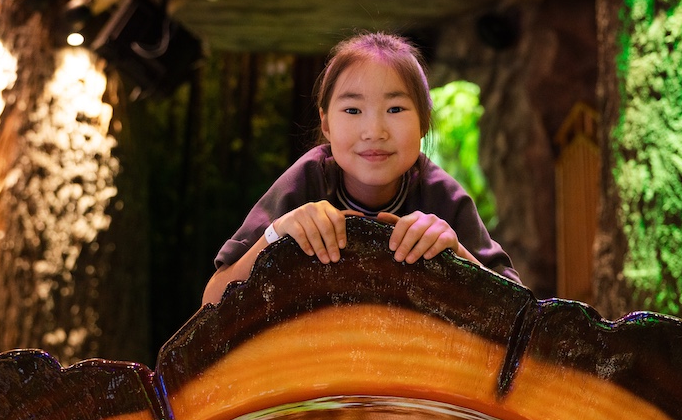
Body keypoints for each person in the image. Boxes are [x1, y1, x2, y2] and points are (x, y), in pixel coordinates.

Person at [202, 32, 520, 305]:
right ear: (326, 123)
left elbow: (521, 312)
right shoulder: (305, 182)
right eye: (353, 110)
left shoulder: (442, 196)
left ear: (424, 122)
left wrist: (458, 255)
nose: (374, 131)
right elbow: (212, 300)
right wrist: (275, 234)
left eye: (395, 109)